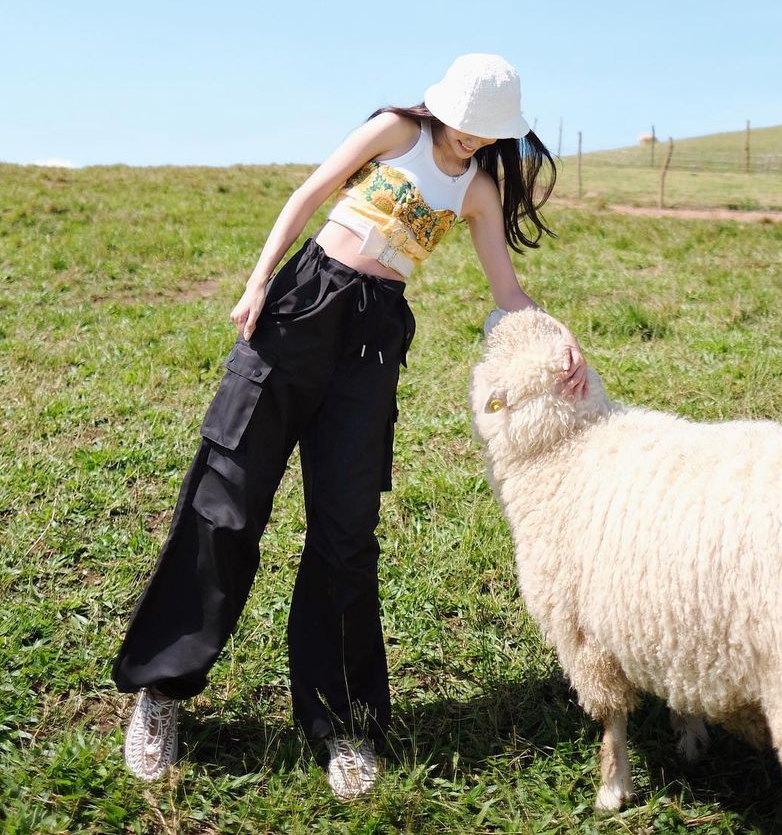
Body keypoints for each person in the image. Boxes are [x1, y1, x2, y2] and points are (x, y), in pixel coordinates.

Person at [112, 53, 588, 800]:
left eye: (483, 132)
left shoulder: (480, 190)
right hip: (302, 305)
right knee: (224, 499)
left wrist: (555, 338)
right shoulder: (394, 129)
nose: (467, 139)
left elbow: (506, 292)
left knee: (345, 534)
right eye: (463, 122)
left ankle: (343, 724)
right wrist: (261, 277)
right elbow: (310, 193)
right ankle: (160, 692)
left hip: (372, 342)